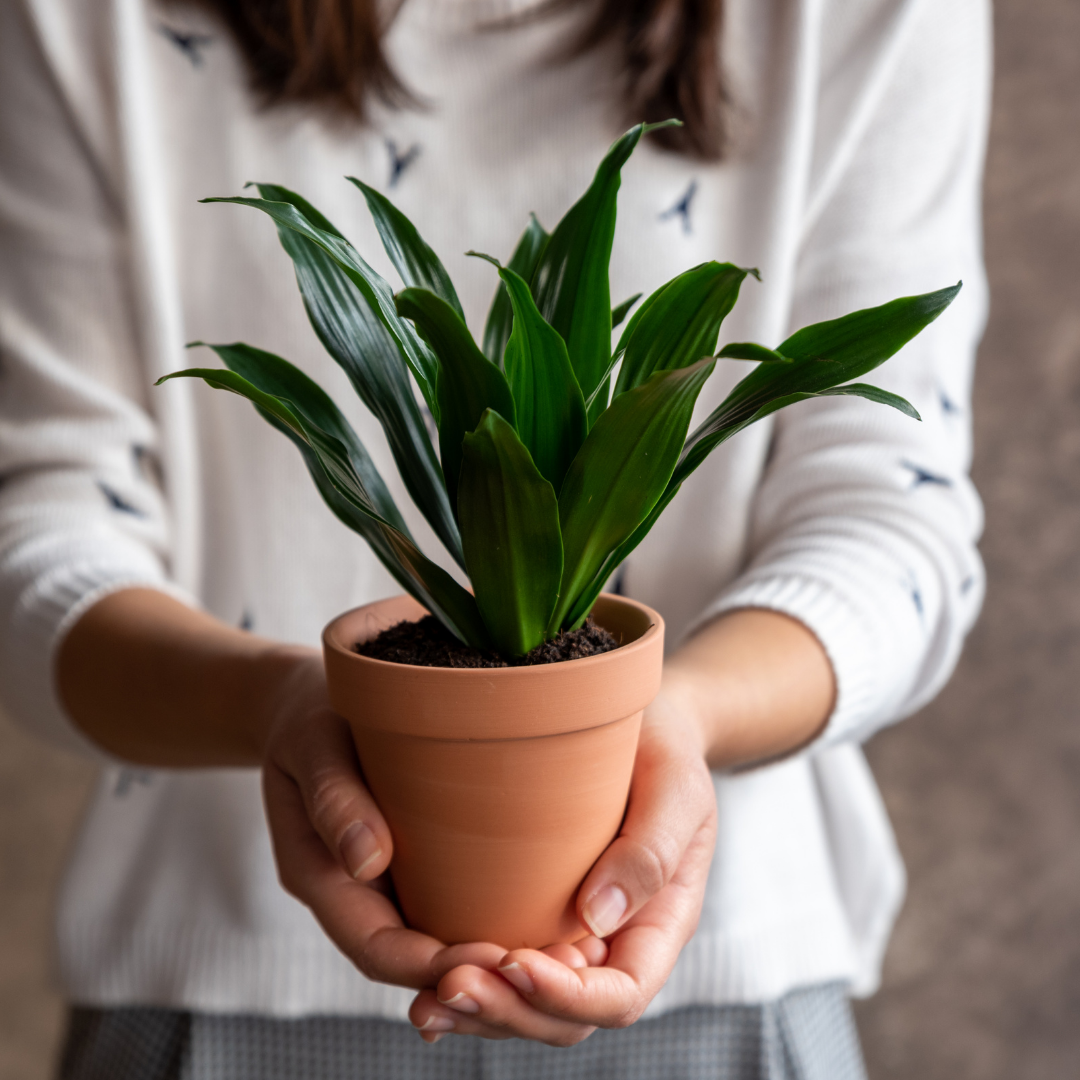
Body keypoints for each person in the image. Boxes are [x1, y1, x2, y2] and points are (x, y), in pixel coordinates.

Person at [0, 0, 990, 1076]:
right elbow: (43, 524)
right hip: (216, 991)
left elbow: (894, 515)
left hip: (719, 990)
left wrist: (684, 719)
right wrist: (273, 705)